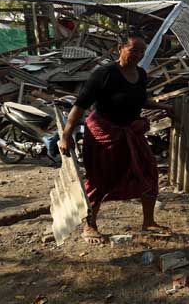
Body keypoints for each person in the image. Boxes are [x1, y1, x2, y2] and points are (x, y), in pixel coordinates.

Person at [59, 33, 173, 244]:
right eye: (133, 50)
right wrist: (66, 135)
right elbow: (80, 105)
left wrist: (164, 107)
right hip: (104, 133)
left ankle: (148, 222)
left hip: (130, 131)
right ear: (119, 48)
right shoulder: (104, 74)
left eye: (142, 52)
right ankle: (89, 225)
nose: (138, 55)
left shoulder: (141, 73)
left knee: (148, 172)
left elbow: (139, 100)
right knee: (99, 179)